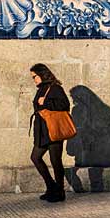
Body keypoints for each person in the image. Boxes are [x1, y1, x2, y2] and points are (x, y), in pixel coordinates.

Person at [29, 63, 70, 202]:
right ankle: (51, 187)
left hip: (54, 130)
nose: (34, 79)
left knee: (55, 161)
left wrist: (45, 102)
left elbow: (65, 105)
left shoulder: (55, 88)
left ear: (42, 74)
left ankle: (60, 192)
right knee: (35, 157)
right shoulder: (41, 89)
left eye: (34, 76)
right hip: (42, 131)